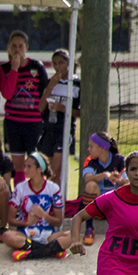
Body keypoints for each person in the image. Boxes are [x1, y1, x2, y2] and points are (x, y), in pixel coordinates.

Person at [0, 31, 48, 185]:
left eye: (20, 46)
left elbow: (44, 93)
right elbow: (7, 93)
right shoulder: (3, 69)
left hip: (33, 123)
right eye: (13, 46)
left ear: (26, 47)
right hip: (13, 122)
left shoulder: (37, 66)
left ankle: (39, 193)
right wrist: (14, 69)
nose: (17, 49)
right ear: (8, 48)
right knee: (18, 164)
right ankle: (20, 198)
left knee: (36, 162)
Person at [0, 152, 72, 261]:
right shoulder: (20, 188)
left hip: (48, 234)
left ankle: (30, 253)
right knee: (6, 236)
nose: (25, 169)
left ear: (39, 169)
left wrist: (43, 215)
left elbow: (58, 222)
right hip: (25, 234)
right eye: (25, 166)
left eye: (29, 167)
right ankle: (51, 250)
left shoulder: (53, 188)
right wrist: (27, 223)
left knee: (73, 235)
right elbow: (10, 220)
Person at [38, 49, 80, 186]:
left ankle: (58, 204)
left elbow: (81, 113)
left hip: (64, 130)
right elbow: (40, 108)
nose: (57, 67)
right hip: (48, 129)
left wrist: (62, 108)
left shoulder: (77, 84)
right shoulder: (50, 82)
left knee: (55, 173)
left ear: (69, 63)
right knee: (46, 173)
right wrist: (50, 87)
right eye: (55, 63)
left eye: (61, 63)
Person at [80, 132, 126, 246]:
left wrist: (118, 179)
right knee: (90, 185)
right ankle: (89, 229)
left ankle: (124, 229)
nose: (88, 149)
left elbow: (127, 181)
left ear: (102, 148)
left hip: (115, 205)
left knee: (126, 188)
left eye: (91, 146)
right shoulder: (91, 161)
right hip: (99, 205)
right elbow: (87, 178)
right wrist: (105, 175)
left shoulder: (119, 160)